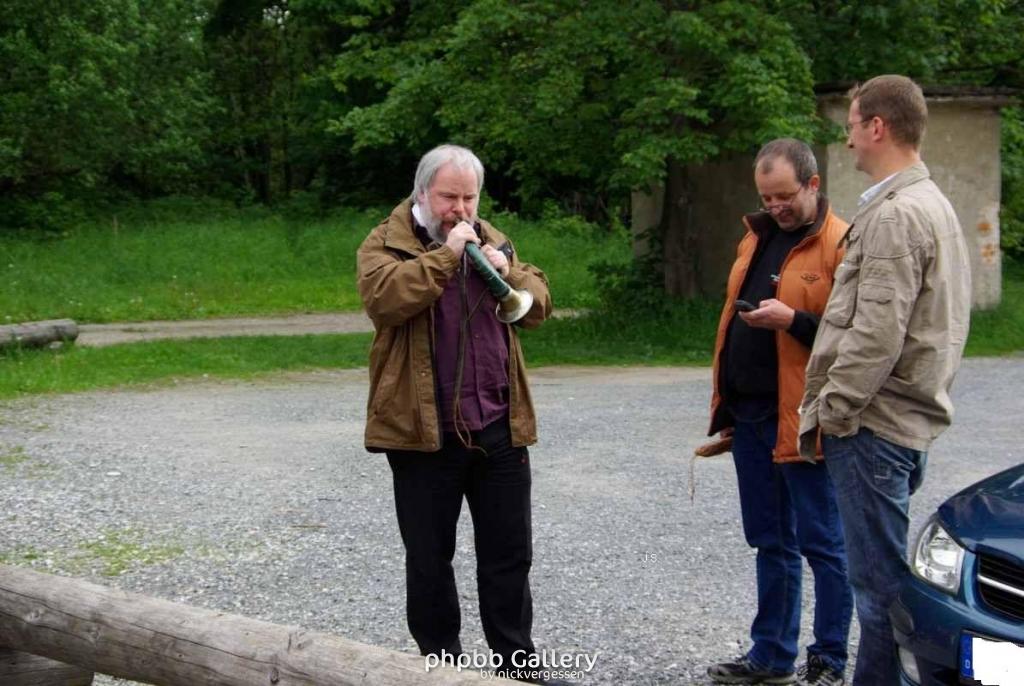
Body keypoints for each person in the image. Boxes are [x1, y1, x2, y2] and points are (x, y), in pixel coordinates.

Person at [356, 144, 563, 684]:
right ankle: (440, 673)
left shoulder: (490, 236)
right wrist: (449, 254)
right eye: (450, 196)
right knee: (429, 563)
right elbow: (387, 300)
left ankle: (517, 672)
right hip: (424, 435)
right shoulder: (386, 244)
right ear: (423, 191)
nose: (462, 208)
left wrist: (509, 269)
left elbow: (538, 306)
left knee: (509, 559)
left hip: (498, 428)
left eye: (470, 196)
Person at [798, 75, 972, 685]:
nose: (846, 142)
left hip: (874, 428)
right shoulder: (933, 205)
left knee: (879, 594)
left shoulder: (897, 216)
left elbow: (875, 335)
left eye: (850, 127)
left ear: (878, 127)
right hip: (903, 424)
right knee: (883, 584)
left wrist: (832, 411)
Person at [706, 138, 852, 686]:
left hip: (806, 419)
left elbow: (854, 336)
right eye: (766, 197)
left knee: (822, 542)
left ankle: (829, 660)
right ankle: (770, 657)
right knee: (769, 540)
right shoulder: (755, 237)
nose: (775, 207)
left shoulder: (840, 243)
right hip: (750, 418)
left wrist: (793, 319)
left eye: (784, 196)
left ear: (813, 185)